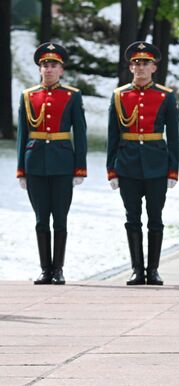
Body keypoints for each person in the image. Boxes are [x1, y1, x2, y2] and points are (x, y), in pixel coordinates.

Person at [106, 41, 179, 286]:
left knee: (155, 218)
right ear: (130, 67)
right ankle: (137, 269)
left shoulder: (165, 96)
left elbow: (174, 137)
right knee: (132, 218)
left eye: (145, 63)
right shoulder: (120, 96)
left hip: (157, 164)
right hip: (127, 165)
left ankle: (154, 269)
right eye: (136, 63)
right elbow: (112, 135)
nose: (140, 67)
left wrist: (173, 170)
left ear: (154, 67)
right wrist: (111, 169)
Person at [16, 42, 87, 285]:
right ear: (39, 69)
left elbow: (81, 132)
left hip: (62, 163)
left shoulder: (72, 96)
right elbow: (22, 135)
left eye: (53, 65)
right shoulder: (28, 96)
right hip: (34, 162)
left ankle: (58, 269)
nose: (48, 69)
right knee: (40, 219)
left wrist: (80, 167)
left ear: (61, 70)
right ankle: (45, 269)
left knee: (60, 218)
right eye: (45, 65)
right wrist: (20, 169)